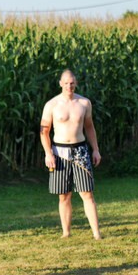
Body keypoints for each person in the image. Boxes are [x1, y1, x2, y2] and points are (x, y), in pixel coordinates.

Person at [40, 69, 102, 240]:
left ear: (76, 83)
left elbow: (89, 127)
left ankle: (96, 233)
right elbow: (44, 132)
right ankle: (66, 232)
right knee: (64, 195)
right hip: (59, 152)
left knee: (87, 193)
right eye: (66, 83)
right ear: (60, 83)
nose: (69, 86)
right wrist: (48, 154)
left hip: (81, 151)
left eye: (72, 82)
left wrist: (95, 149)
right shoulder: (51, 105)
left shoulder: (84, 103)